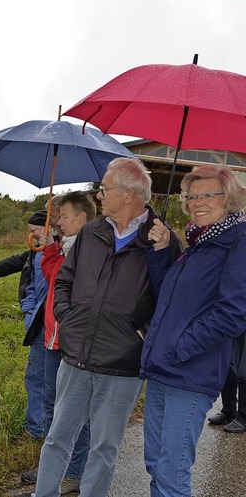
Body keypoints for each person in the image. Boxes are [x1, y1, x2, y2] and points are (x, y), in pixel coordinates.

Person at [31, 157, 182, 497]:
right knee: (57, 438)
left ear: (129, 194)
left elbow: (172, 299)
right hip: (76, 357)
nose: (98, 196)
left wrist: (139, 332)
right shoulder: (91, 232)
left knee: (104, 447)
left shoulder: (162, 241)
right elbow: (65, 281)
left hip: (122, 366)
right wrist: (69, 319)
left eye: (104, 189)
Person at [140, 164, 246, 496]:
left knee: (171, 470)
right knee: (155, 462)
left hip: (190, 371)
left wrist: (179, 347)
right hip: (162, 368)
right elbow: (169, 299)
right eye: (191, 196)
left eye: (207, 194)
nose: (197, 201)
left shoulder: (238, 241)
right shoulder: (198, 243)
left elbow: (233, 313)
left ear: (227, 198)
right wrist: (160, 253)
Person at [20, 191, 96, 494]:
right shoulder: (66, 247)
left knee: (76, 413)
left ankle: (75, 470)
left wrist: (54, 248)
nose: (59, 222)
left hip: (74, 343)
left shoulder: (91, 249)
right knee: (52, 407)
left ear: (83, 218)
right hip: (53, 339)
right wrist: (52, 247)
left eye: (63, 216)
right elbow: (53, 277)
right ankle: (53, 467)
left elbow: (72, 285)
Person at [0, 210, 49, 439]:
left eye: (34, 231)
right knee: (37, 376)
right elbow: (15, 262)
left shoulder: (61, 253)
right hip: (36, 319)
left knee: (40, 378)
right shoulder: (36, 253)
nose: (31, 235)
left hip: (49, 323)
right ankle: (37, 428)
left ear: (47, 229)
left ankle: (38, 431)